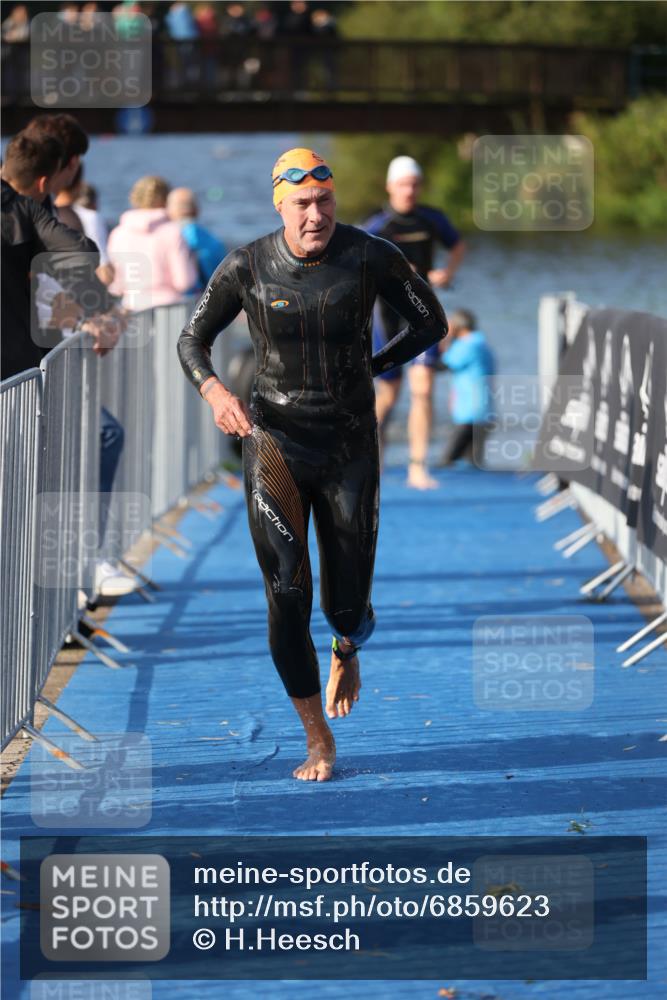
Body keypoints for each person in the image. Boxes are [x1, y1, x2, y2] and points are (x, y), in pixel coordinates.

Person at [177, 147, 449, 782]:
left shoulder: (370, 253)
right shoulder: (247, 265)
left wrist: (378, 366)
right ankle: (317, 737)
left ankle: (347, 645)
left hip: (351, 442)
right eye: (301, 204)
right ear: (280, 204)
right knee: (286, 592)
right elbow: (193, 338)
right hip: (274, 440)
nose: (315, 214)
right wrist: (216, 393)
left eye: (325, 201)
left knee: (346, 605)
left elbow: (430, 322)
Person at [364, 155, 466, 489]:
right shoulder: (377, 227)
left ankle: (417, 467)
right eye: (403, 184)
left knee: (423, 391)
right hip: (387, 317)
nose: (409, 191)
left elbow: (458, 245)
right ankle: (370, 463)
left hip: (422, 313)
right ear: (390, 187)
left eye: (414, 185)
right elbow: (356, 265)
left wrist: (446, 273)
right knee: (388, 395)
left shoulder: (431, 219)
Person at [107, 175, 197, 310]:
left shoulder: (118, 233)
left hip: (132, 309)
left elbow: (117, 285)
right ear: (166, 199)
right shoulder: (173, 232)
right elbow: (184, 282)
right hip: (168, 311)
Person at [437, 308, 495, 468]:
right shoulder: (480, 342)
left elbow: (441, 365)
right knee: (473, 463)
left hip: (470, 414)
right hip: (482, 411)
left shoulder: (468, 345)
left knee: (447, 461)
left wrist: (444, 338)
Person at [166, 187, 226, 293]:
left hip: (176, 299)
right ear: (196, 209)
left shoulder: (167, 238)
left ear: (170, 210)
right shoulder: (214, 242)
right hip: (207, 299)